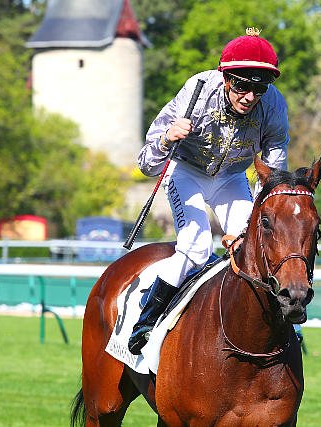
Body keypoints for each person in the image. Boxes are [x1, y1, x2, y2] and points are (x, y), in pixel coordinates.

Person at [128, 28, 289, 355]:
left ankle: (282, 326)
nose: (249, 97)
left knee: (255, 248)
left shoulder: (273, 105)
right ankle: (146, 320)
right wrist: (167, 138)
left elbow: (272, 174)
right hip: (187, 172)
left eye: (258, 89)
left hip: (231, 178)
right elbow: (146, 164)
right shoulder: (197, 90)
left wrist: (262, 217)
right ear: (226, 78)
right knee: (197, 247)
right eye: (241, 86)